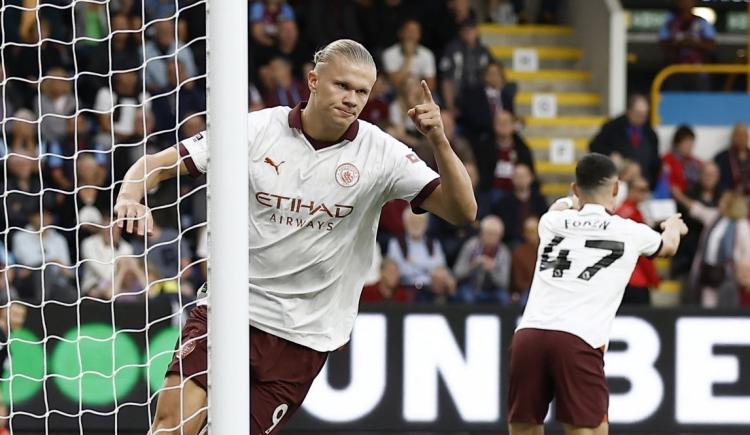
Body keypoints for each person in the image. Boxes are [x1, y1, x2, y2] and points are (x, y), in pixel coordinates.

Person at [114, 39, 476, 434]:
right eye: (342, 86)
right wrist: (131, 195)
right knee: (171, 425)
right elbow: (157, 165)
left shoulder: (382, 153)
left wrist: (439, 140)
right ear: (313, 80)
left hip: (304, 335)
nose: (352, 99)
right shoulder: (254, 130)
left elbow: (463, 211)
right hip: (230, 311)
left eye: (362, 91)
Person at [508, 153, 687, 435]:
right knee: (588, 429)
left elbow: (558, 207)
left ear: (575, 188)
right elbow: (668, 247)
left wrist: (571, 200)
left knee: (523, 426)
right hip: (577, 339)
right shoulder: (630, 231)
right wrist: (674, 226)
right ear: (616, 188)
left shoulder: (550, 222)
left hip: (528, 334)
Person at [589, 94, 660, 189]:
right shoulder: (612, 127)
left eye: (644, 115)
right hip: (618, 181)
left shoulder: (650, 133)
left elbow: (654, 161)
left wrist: (648, 182)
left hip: (641, 185)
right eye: (638, 114)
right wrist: (610, 154)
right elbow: (594, 146)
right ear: (629, 111)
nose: (641, 118)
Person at [614, 176, 660, 305]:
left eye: (646, 189)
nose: (645, 193)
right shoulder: (634, 215)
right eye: (641, 189)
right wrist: (653, 278)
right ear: (631, 190)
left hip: (620, 278)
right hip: (635, 279)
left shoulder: (619, 212)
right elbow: (643, 252)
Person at [659, 0, 716, 90]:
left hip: (698, 71)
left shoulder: (701, 22)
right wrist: (679, 43)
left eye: (689, 0)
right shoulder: (670, 23)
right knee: (676, 99)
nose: (686, 3)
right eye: (683, 1)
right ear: (678, 2)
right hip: (675, 71)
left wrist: (694, 43)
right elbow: (662, 44)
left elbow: (711, 45)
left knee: (700, 100)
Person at [453, 214, 511, 304]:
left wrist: (492, 270)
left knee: (503, 297)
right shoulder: (470, 246)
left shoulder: (504, 252)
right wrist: (473, 265)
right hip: (471, 286)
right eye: (489, 233)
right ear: (481, 233)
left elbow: (504, 283)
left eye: (495, 235)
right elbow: (457, 273)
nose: (491, 238)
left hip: (492, 290)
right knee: (466, 296)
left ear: (501, 236)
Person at [381, 19, 437, 89]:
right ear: (400, 33)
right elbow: (395, 82)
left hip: (419, 92)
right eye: (408, 31)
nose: (411, 35)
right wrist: (408, 57)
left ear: (419, 35)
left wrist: (416, 95)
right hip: (395, 92)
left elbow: (430, 84)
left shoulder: (427, 54)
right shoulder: (389, 53)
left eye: (415, 31)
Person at [714, 122, 750, 198]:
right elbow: (716, 181)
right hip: (731, 198)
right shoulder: (721, 158)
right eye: (738, 135)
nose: (741, 138)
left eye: (744, 135)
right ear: (732, 137)